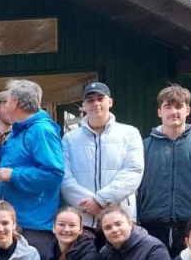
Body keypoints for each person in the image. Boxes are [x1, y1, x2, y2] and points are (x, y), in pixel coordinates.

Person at [136, 85, 191, 257]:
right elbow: (135, 191)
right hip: (150, 228)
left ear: (188, 110)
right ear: (159, 112)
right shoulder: (143, 148)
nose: (173, 112)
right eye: (168, 107)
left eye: (179, 106)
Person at [0, 80, 65, 260]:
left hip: (34, 228)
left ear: (15, 102)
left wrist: (14, 174)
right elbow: (16, 162)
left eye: (6, 101)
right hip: (18, 223)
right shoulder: (20, 130)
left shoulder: (41, 130)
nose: (5, 105)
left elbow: (54, 174)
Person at [60, 82, 144, 242]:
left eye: (100, 98)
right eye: (90, 100)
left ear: (110, 102)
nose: (95, 104)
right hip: (83, 222)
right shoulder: (69, 139)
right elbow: (65, 179)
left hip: (120, 222)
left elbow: (133, 172)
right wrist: (90, 204)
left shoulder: (130, 133)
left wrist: (100, 201)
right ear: (84, 105)